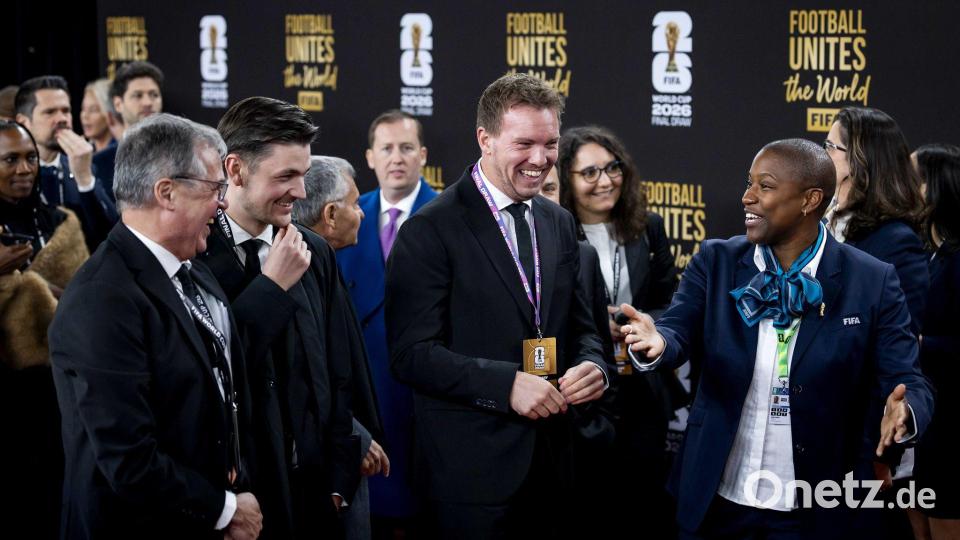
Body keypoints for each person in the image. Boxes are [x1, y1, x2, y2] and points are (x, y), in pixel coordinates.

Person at [622, 138, 933, 539]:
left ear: (810, 200)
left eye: (764, 187)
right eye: (748, 183)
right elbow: (676, 329)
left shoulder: (871, 280)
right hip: (717, 498)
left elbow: (908, 378)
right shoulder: (716, 262)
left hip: (819, 505)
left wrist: (906, 411)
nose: (747, 197)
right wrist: (659, 342)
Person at [384, 73, 608, 538]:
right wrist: (505, 384)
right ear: (484, 139)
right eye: (524, 143)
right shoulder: (431, 230)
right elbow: (412, 355)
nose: (541, 160)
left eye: (550, 144)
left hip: (556, 464)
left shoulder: (559, 221)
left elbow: (584, 326)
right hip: (471, 478)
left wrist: (593, 366)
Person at [49, 113, 263, 539]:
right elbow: (129, 460)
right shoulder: (101, 298)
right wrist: (224, 510)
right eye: (214, 188)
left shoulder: (195, 271)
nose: (223, 203)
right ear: (166, 192)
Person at [200, 96, 361, 539]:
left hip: (315, 498)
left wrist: (339, 480)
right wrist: (269, 290)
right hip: (241, 503)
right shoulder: (195, 256)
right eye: (286, 176)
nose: (302, 192)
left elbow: (339, 369)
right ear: (234, 170)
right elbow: (211, 374)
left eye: (304, 174)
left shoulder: (315, 252)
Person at [556, 125, 682, 536]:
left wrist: (642, 324)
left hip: (642, 387)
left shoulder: (649, 227)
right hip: (583, 392)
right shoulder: (554, 233)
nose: (605, 181)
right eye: (589, 173)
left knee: (642, 502)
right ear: (565, 179)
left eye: (613, 168)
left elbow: (672, 302)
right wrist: (597, 324)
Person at [335, 109, 436, 534]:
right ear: (370, 158)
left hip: (425, 394)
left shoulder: (450, 215)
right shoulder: (340, 216)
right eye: (387, 149)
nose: (397, 158)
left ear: (423, 156)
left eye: (407, 148)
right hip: (362, 389)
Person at [0, 120, 88, 539]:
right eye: (10, 159)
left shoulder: (62, 222)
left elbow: (89, 300)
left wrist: (38, 287)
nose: (24, 168)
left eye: (31, 157)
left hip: (61, 392)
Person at [295, 155, 389, 540]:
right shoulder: (299, 267)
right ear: (330, 214)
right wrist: (355, 436)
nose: (362, 213)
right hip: (322, 467)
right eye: (354, 204)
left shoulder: (326, 263)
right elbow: (308, 370)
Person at [911, 143, 960, 540]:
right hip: (922, 415)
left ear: (934, 188)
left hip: (951, 425)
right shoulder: (927, 253)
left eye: (912, 178)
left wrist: (924, 342)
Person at [14, 75, 118, 250]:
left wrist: (84, 179)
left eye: (66, 110)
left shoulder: (84, 166)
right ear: (24, 122)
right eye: (50, 112)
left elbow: (111, 236)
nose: (62, 118)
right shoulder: (11, 174)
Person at [93, 61, 165, 198]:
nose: (148, 102)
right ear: (118, 104)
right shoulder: (99, 163)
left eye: (154, 95)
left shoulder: (178, 155)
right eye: (137, 95)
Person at [80, 79, 117, 152]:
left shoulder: (121, 152)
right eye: (83, 109)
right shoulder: (85, 153)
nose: (85, 116)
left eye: (93, 110)